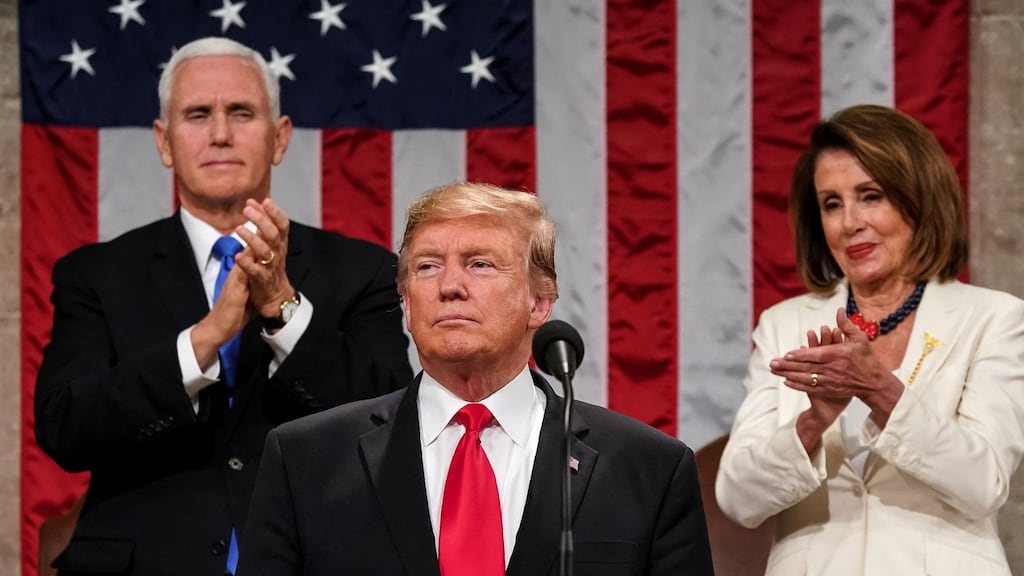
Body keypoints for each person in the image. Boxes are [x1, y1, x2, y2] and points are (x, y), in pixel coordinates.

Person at [34, 37, 413, 576]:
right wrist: (203, 341)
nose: (219, 133)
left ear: (279, 138)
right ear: (164, 142)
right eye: (197, 115)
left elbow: (392, 425)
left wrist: (283, 306)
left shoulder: (362, 270)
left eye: (240, 112)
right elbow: (64, 429)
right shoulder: (95, 274)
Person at [236, 181, 714, 576]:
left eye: (480, 264)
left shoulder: (648, 469)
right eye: (426, 267)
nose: (449, 286)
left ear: (540, 302)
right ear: (406, 299)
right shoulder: (306, 460)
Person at [716, 104, 1024, 575]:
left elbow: (983, 483)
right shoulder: (784, 324)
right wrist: (812, 423)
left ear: (918, 199)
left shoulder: (993, 318)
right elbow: (738, 497)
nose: (849, 222)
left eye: (871, 196)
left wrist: (880, 390)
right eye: (831, 204)